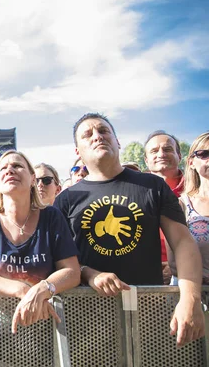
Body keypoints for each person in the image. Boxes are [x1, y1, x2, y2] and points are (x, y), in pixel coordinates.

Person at [54, 112, 205, 347]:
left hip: (149, 314)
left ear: (117, 141)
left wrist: (190, 299)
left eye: (104, 131)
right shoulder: (66, 199)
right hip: (87, 320)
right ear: (77, 151)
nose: (97, 136)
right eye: (87, 134)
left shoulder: (152, 185)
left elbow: (183, 242)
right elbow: (60, 262)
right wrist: (90, 274)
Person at [0, 150, 80, 367]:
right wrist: (22, 290)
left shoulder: (51, 217)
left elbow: (72, 271)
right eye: (3, 167)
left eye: (17, 166)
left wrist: (43, 288)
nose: (10, 170)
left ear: (32, 178)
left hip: (41, 334)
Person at [168, 131, 209, 285]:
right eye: (204, 154)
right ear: (191, 162)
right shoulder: (181, 205)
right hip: (196, 295)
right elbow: (174, 265)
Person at [144, 130, 185, 283]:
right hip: (144, 273)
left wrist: (174, 265)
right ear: (146, 160)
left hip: (188, 275)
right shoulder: (132, 193)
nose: (161, 154)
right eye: (154, 151)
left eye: (167, 149)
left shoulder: (196, 190)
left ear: (179, 156)